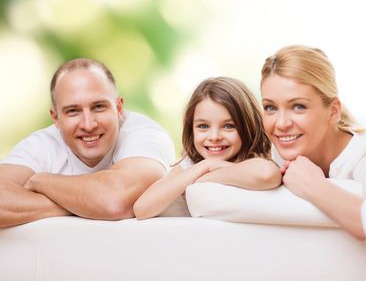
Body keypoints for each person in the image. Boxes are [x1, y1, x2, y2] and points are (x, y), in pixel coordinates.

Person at [0, 58, 175, 228]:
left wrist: (41, 181)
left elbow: (115, 202)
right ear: (56, 118)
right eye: (73, 111)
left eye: (98, 107)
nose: (88, 124)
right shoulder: (41, 145)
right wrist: (84, 205)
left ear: (119, 107)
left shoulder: (147, 136)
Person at [260, 45, 366, 249]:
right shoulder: (275, 147)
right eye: (270, 108)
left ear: (333, 111)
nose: (280, 124)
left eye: (298, 106)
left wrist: (313, 186)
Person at [133, 76, 282, 219]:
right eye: (203, 126)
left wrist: (207, 173)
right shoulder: (191, 165)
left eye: (229, 126)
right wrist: (205, 165)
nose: (214, 137)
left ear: (248, 126)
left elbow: (267, 174)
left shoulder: (253, 159)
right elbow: (142, 209)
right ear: (191, 129)